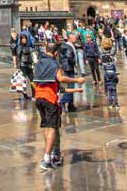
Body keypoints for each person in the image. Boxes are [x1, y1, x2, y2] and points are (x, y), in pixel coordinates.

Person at [33, 40, 85, 171]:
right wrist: (76, 80)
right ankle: (46, 159)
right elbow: (61, 79)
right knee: (52, 129)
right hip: (50, 99)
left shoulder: (39, 63)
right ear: (55, 53)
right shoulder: (54, 63)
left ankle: (49, 154)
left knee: (46, 128)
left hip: (38, 98)